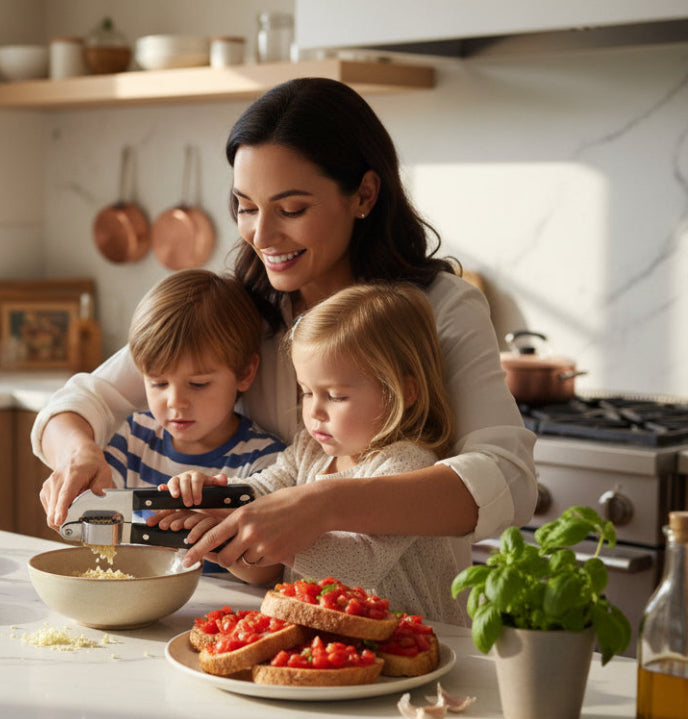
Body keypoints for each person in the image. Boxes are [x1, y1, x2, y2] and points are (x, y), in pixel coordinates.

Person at [33, 77, 537, 577]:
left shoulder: (442, 307)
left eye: (291, 209)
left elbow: (508, 483)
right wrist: (77, 454)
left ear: (363, 194)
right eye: (246, 208)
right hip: (262, 610)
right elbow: (83, 401)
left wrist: (325, 502)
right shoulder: (238, 307)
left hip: (412, 627)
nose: (262, 235)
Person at [165, 283, 469, 624]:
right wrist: (218, 497)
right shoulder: (310, 450)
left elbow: (361, 562)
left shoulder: (405, 463)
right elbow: (263, 489)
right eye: (307, 392)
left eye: (336, 396)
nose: (315, 412)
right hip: (332, 637)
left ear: (404, 391)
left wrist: (267, 534)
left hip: (415, 638)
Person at [102, 269, 284, 491]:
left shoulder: (268, 463)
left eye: (198, 384)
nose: (175, 402)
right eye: (159, 383)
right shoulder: (131, 437)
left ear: (244, 373)